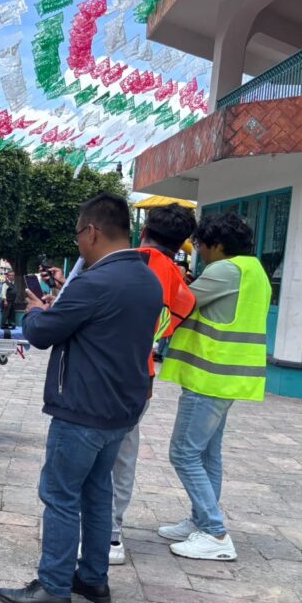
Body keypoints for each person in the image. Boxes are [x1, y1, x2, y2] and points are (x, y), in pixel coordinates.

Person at [0, 193, 162, 603]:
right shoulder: (147, 279)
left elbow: (42, 333)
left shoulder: (94, 282)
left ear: (91, 231)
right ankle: (93, 577)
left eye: (77, 235)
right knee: (98, 491)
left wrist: (36, 311)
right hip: (120, 408)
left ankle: (54, 586)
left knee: (61, 493)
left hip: (83, 407)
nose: (78, 244)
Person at [157, 212, 271, 561]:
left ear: (218, 245)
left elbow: (181, 302)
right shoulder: (254, 270)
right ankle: (200, 520)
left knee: (183, 452)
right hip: (228, 377)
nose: (200, 253)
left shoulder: (225, 270)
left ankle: (215, 532)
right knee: (207, 453)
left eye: (202, 246)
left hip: (208, 376)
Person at [108, 205, 196, 565]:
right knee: (124, 453)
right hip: (141, 375)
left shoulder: (129, 260)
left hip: (105, 371)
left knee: (95, 451)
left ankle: (97, 528)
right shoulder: (176, 275)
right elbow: (180, 312)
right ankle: (112, 533)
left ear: (143, 231)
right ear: (180, 243)